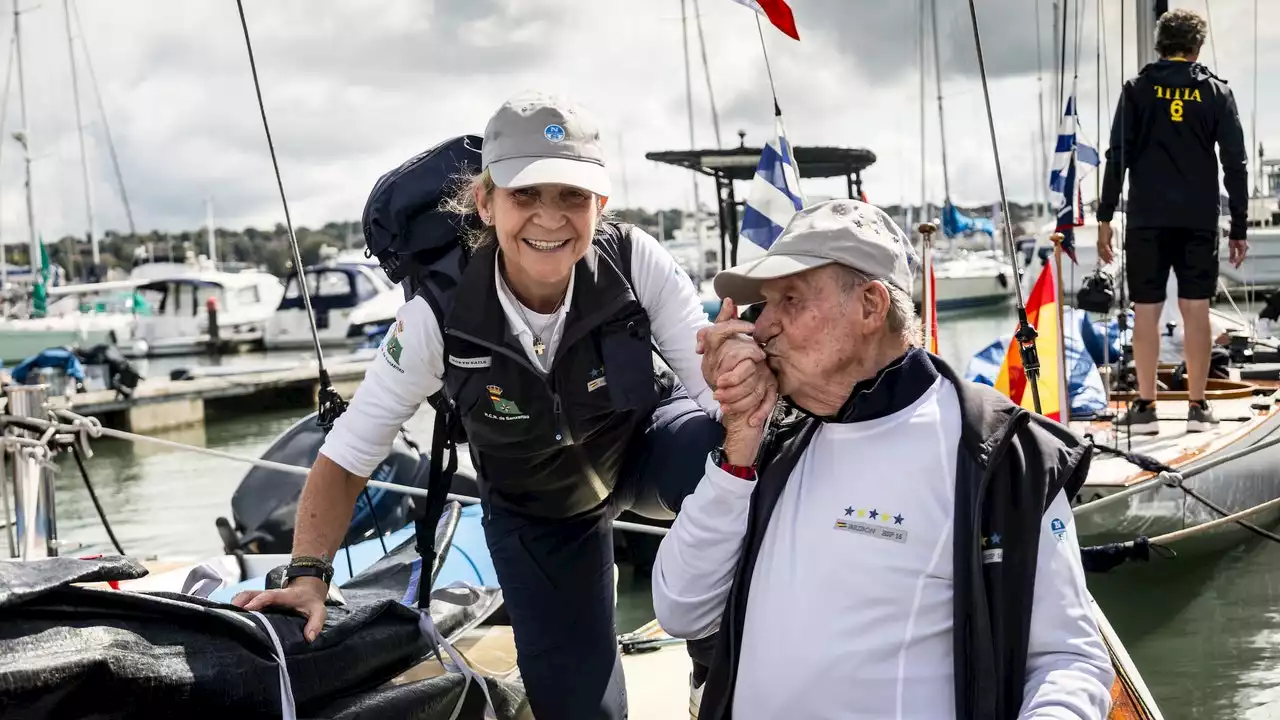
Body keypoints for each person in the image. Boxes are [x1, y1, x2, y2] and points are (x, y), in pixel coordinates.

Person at [232, 91, 774, 719]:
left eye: (573, 196)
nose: (550, 219)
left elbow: (716, 399)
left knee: (717, 449)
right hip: (539, 510)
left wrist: (741, 378)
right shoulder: (434, 316)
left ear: (601, 205)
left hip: (643, 449)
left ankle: (713, 659)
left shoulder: (636, 261)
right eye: (525, 195)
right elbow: (350, 453)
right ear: (485, 203)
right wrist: (307, 574)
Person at [653, 199, 1116, 719]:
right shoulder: (771, 439)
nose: (763, 328)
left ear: (871, 306)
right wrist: (740, 440)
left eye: (789, 299)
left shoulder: (999, 453)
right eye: (764, 304)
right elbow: (681, 609)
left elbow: (1067, 660)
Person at [1096, 7, 1249, 434]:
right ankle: (1197, 408)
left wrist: (1105, 217)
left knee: (1146, 311)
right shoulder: (1216, 92)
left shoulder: (1136, 90)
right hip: (1199, 218)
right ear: (1196, 47)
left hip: (1147, 217)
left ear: (1161, 44)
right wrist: (1239, 226)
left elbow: (1116, 158)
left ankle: (1146, 408)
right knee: (1195, 309)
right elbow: (1234, 163)